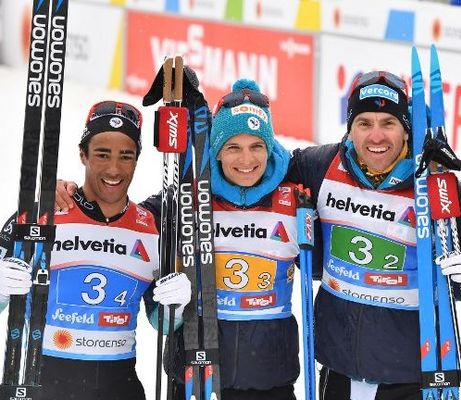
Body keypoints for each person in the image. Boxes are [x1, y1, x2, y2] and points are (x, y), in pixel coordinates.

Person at [55, 80, 306, 400]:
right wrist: (64, 195)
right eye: (233, 147)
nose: (246, 160)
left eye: (256, 146)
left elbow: (317, 267)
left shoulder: (293, 199)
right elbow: (115, 218)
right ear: (215, 151)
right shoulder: (180, 203)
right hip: (192, 373)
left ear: (269, 148)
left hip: (269, 379)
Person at [286, 71, 461, 400]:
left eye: (388, 123)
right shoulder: (317, 166)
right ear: (350, 128)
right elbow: (255, 170)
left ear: (406, 129)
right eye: (364, 123)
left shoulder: (442, 189)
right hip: (337, 364)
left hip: (410, 374)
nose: (376, 136)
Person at [0, 100, 192, 400]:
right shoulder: (42, 214)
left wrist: (178, 304)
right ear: (83, 155)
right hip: (42, 382)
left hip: (118, 385)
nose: (114, 168)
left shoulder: (151, 229)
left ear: (137, 160)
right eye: (102, 154)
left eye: (125, 156)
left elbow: (161, 322)